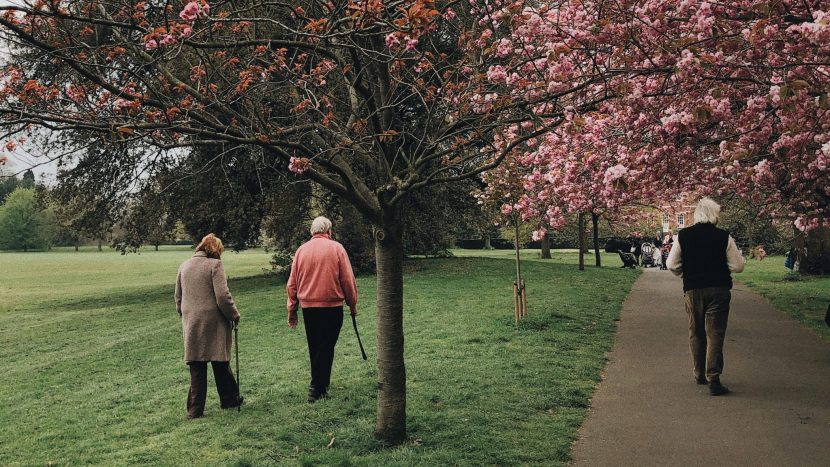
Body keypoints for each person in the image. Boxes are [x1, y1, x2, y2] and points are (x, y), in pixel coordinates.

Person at [667, 198, 744, 396]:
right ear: (714, 215)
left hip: (693, 290)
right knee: (715, 333)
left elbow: (672, 264)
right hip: (718, 289)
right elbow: (738, 266)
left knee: (696, 332)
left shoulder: (683, 236)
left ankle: (699, 373)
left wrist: (687, 274)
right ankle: (714, 378)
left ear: (697, 215)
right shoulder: (724, 237)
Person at [286, 216, 358, 402]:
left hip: (309, 307)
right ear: (329, 231)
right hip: (331, 306)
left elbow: (292, 284)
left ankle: (320, 385)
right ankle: (317, 387)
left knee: (316, 346)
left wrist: (292, 309)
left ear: (312, 231)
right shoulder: (337, 248)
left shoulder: (301, 251)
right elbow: (347, 280)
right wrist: (352, 303)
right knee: (326, 347)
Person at [175, 233, 242, 418]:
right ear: (215, 250)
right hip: (214, 321)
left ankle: (195, 410)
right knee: (220, 360)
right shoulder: (215, 265)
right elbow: (222, 296)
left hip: (191, 321)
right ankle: (229, 399)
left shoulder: (185, 265)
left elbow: (178, 297)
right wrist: (234, 314)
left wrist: (185, 314)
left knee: (196, 365)